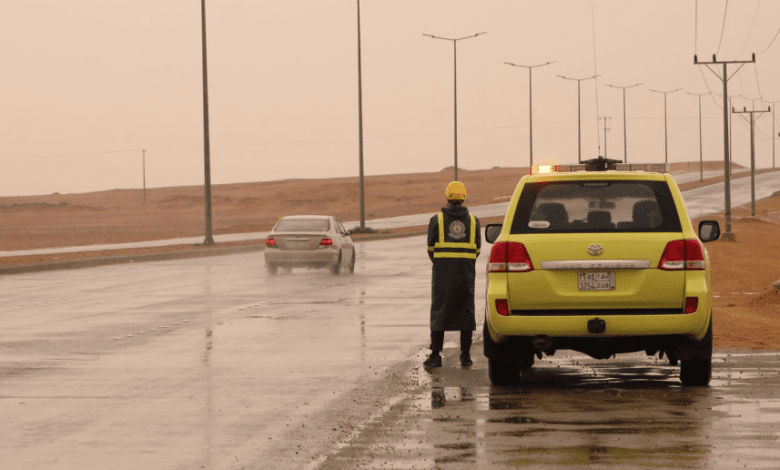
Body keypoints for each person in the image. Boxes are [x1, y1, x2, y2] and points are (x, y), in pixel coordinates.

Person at [424, 181, 481, 368]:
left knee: (440, 312)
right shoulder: (473, 221)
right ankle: (465, 356)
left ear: (447, 197)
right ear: (463, 198)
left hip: (443, 275)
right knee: (466, 312)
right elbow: (477, 250)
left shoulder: (437, 220)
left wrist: (442, 264)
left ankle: (435, 355)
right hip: (465, 275)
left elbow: (430, 248)